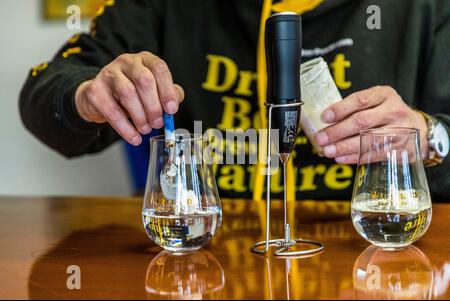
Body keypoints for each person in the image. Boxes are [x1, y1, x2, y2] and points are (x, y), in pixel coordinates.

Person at [20, 0, 450, 201]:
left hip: (373, 262)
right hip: (202, 264)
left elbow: (442, 134)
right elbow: (46, 92)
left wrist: (431, 136)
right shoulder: (159, 8)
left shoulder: (424, 8)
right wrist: (88, 95)